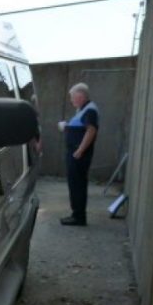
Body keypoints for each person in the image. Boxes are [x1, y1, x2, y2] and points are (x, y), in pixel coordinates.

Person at [59, 83, 99, 226]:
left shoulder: (90, 110)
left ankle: (78, 217)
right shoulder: (83, 109)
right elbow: (80, 128)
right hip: (76, 153)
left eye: (72, 97)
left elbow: (91, 130)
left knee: (77, 185)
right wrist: (67, 127)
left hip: (78, 155)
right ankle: (76, 214)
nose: (71, 100)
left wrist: (80, 150)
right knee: (75, 184)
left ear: (80, 96)